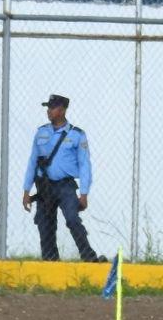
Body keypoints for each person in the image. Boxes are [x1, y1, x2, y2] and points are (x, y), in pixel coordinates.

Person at [21, 94, 106, 262]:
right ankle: (50, 261)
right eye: (48, 108)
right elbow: (32, 162)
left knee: (73, 220)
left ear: (62, 110)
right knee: (45, 225)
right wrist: (26, 190)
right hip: (44, 187)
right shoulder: (41, 132)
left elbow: (84, 165)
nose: (48, 111)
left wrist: (84, 193)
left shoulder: (77, 135)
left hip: (65, 186)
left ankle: (89, 257)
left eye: (52, 108)